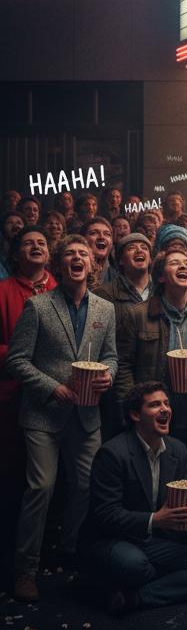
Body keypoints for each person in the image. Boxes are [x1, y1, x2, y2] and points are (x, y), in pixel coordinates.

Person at [9, 235, 118, 602]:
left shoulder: (105, 309)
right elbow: (17, 360)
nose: (77, 257)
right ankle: (25, 569)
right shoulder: (37, 306)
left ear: (92, 265)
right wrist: (52, 387)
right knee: (42, 487)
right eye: (69, 253)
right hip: (43, 414)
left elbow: (111, 357)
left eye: (83, 253)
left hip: (87, 415)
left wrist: (108, 376)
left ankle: (72, 552)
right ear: (59, 265)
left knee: (88, 486)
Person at [78, 381, 187, 615]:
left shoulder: (178, 450)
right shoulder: (112, 453)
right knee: (134, 565)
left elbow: (182, 500)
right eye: (155, 405)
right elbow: (104, 515)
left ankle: (135, 598)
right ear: (135, 415)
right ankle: (100, 583)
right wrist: (155, 519)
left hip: (154, 542)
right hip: (113, 539)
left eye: (166, 403)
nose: (165, 409)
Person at [117, 249, 187, 475]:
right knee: (154, 476)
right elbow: (123, 365)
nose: (183, 266)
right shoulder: (138, 315)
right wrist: (131, 409)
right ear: (160, 276)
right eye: (175, 263)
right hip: (150, 417)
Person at [0, 227, 57, 561]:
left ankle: (47, 547)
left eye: (42, 243)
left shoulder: (60, 289)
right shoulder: (4, 291)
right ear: (15, 253)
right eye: (28, 243)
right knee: (13, 475)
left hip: (53, 399)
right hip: (12, 396)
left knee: (50, 482)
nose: (36, 246)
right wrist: (24, 356)